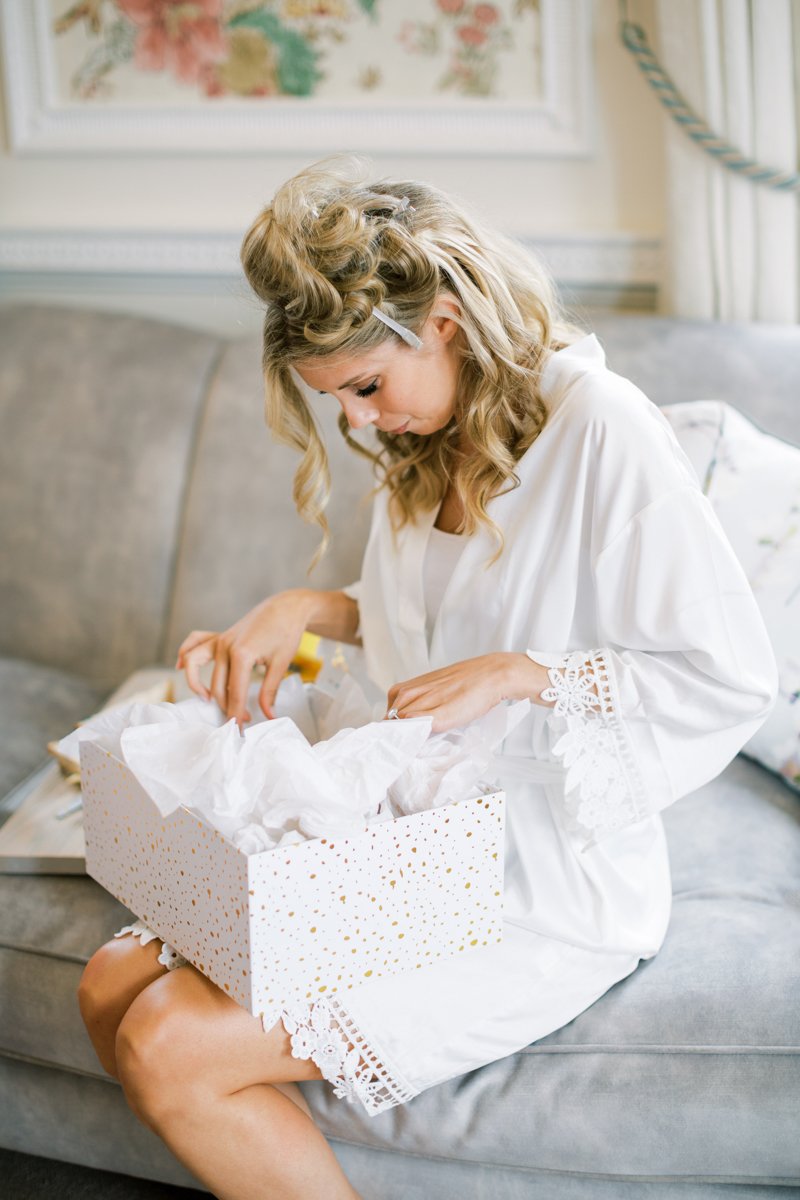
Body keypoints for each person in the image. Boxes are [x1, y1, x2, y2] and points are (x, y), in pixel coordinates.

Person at [77, 154, 778, 1200]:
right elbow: (426, 634)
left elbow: (723, 674)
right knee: (108, 985)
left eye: (365, 387)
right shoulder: (424, 439)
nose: (358, 422)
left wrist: (521, 674)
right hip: (412, 847)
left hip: (536, 884)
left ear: (443, 322)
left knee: (173, 1043)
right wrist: (304, 610)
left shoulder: (598, 429)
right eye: (338, 402)